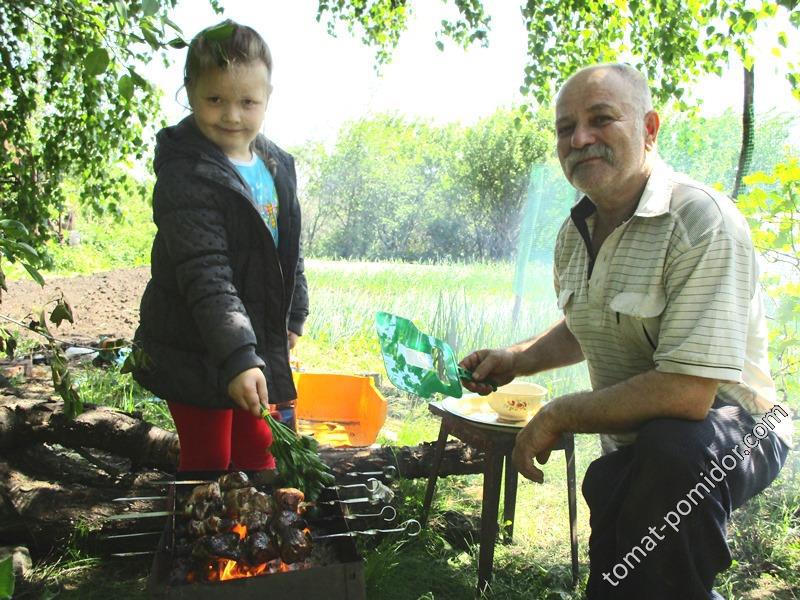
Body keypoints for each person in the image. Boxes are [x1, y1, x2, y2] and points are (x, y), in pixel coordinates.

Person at [460, 63, 793, 599]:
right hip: (642, 446)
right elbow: (587, 325)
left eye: (600, 119)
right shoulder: (574, 234)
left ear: (649, 129)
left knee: (673, 459)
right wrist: (517, 358)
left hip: (739, 430)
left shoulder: (701, 221)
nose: (580, 139)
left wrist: (559, 414)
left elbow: (688, 394)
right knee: (618, 576)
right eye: (566, 128)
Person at [132, 20, 308, 481]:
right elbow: (205, 273)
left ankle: (260, 528)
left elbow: (288, 248)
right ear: (190, 91)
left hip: (250, 343)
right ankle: (202, 527)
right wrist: (237, 358)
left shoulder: (276, 165)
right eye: (215, 99)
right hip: (193, 344)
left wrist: (293, 315)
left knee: (260, 450)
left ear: (267, 97)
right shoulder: (186, 173)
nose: (232, 115)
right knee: (209, 461)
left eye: (247, 102)